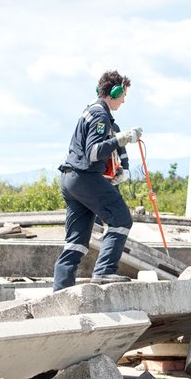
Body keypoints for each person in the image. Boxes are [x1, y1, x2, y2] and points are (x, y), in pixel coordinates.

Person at [53, 70, 140, 290]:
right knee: (121, 219)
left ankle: (60, 293)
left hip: (70, 180)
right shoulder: (100, 116)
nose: (124, 100)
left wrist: (117, 171)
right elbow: (93, 153)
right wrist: (122, 139)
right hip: (84, 178)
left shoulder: (89, 112)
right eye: (123, 95)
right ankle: (104, 272)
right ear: (115, 92)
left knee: (76, 243)